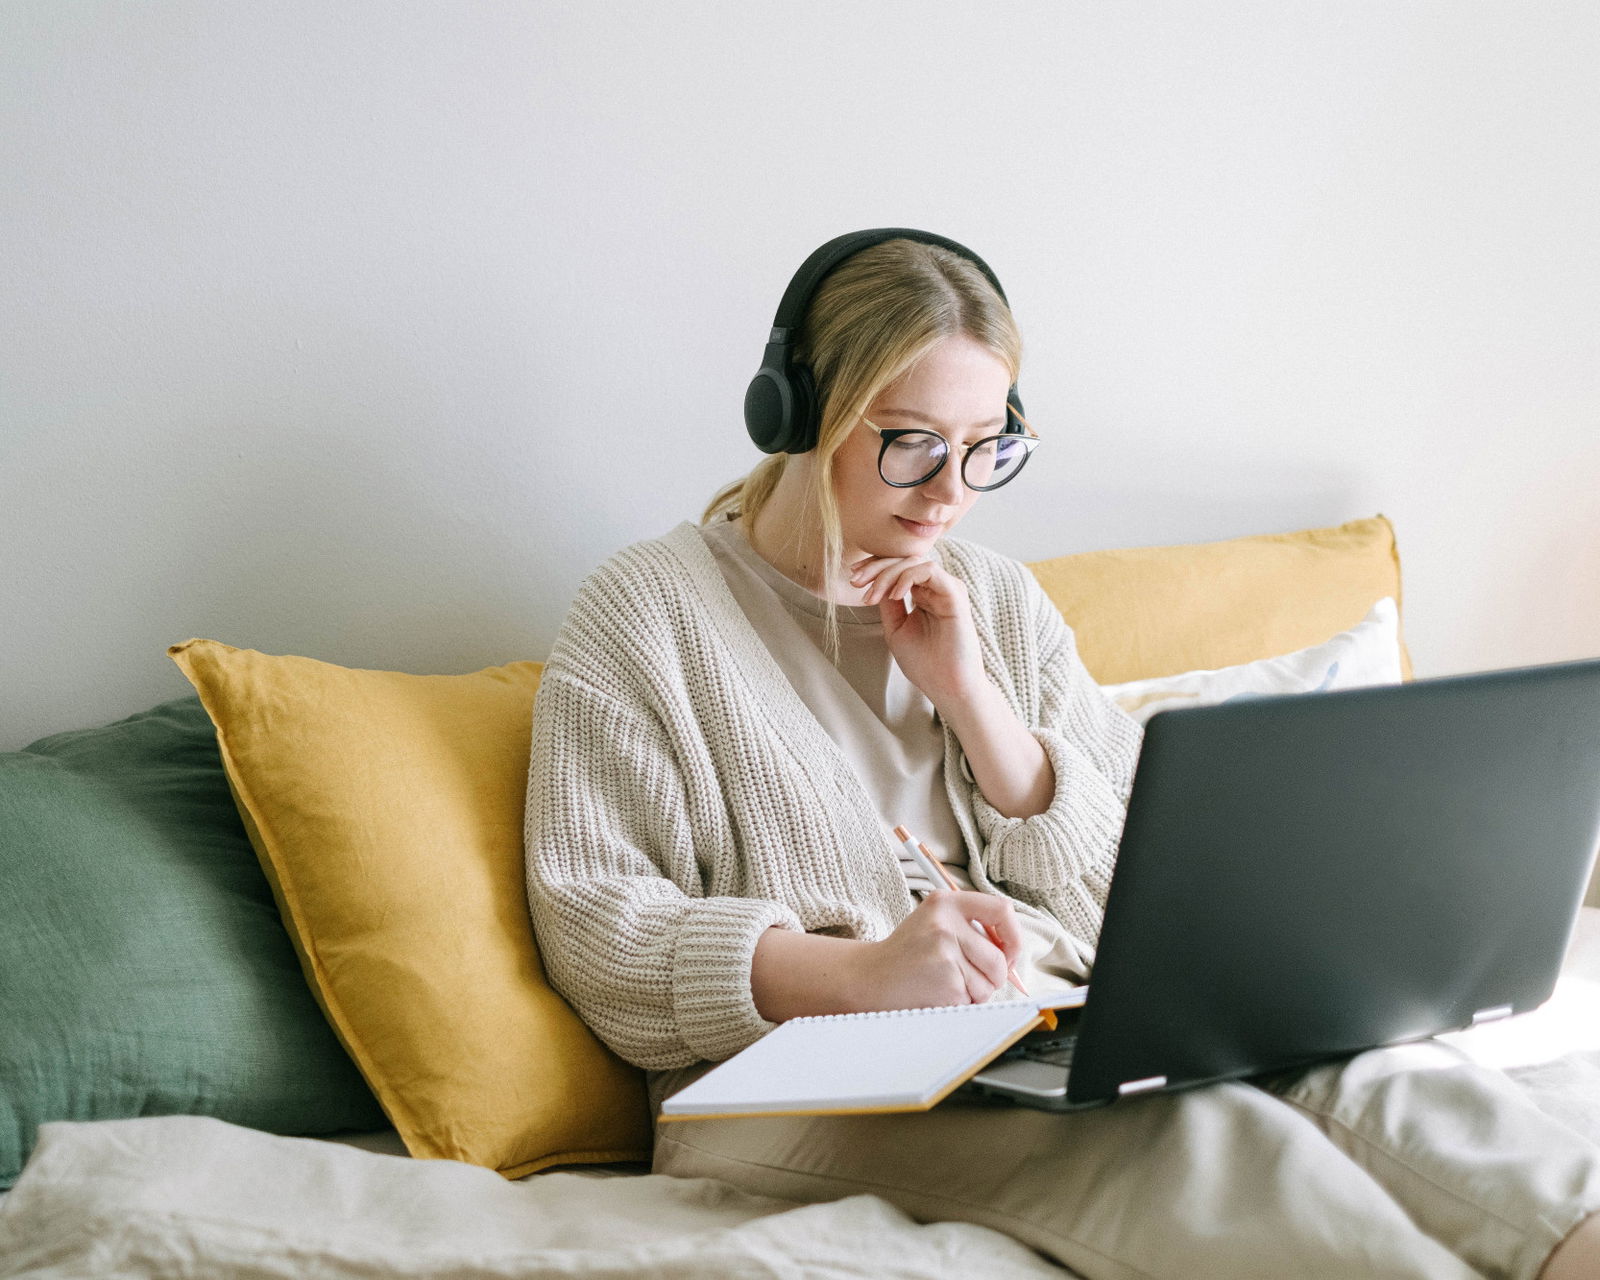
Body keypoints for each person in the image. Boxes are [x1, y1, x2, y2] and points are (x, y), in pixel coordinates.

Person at [523, 229, 1600, 1279]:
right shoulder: (645, 614)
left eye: (985, 446)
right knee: (1210, 1148)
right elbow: (599, 926)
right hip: (783, 1084)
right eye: (909, 440)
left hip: (1047, 1023)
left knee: (1393, 1081)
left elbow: (1138, 870)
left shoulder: (991, 596)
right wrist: (859, 974)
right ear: (799, 415)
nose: (950, 490)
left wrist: (976, 700)